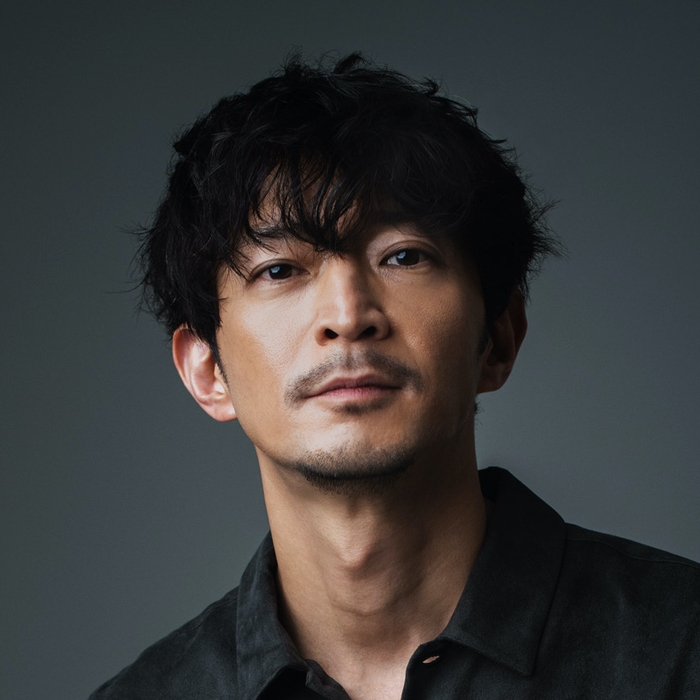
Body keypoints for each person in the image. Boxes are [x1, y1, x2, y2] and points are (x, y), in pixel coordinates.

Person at [89, 54, 700, 700]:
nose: (347, 316)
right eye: (280, 270)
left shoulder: (680, 651)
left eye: (403, 256)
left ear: (498, 338)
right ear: (207, 369)